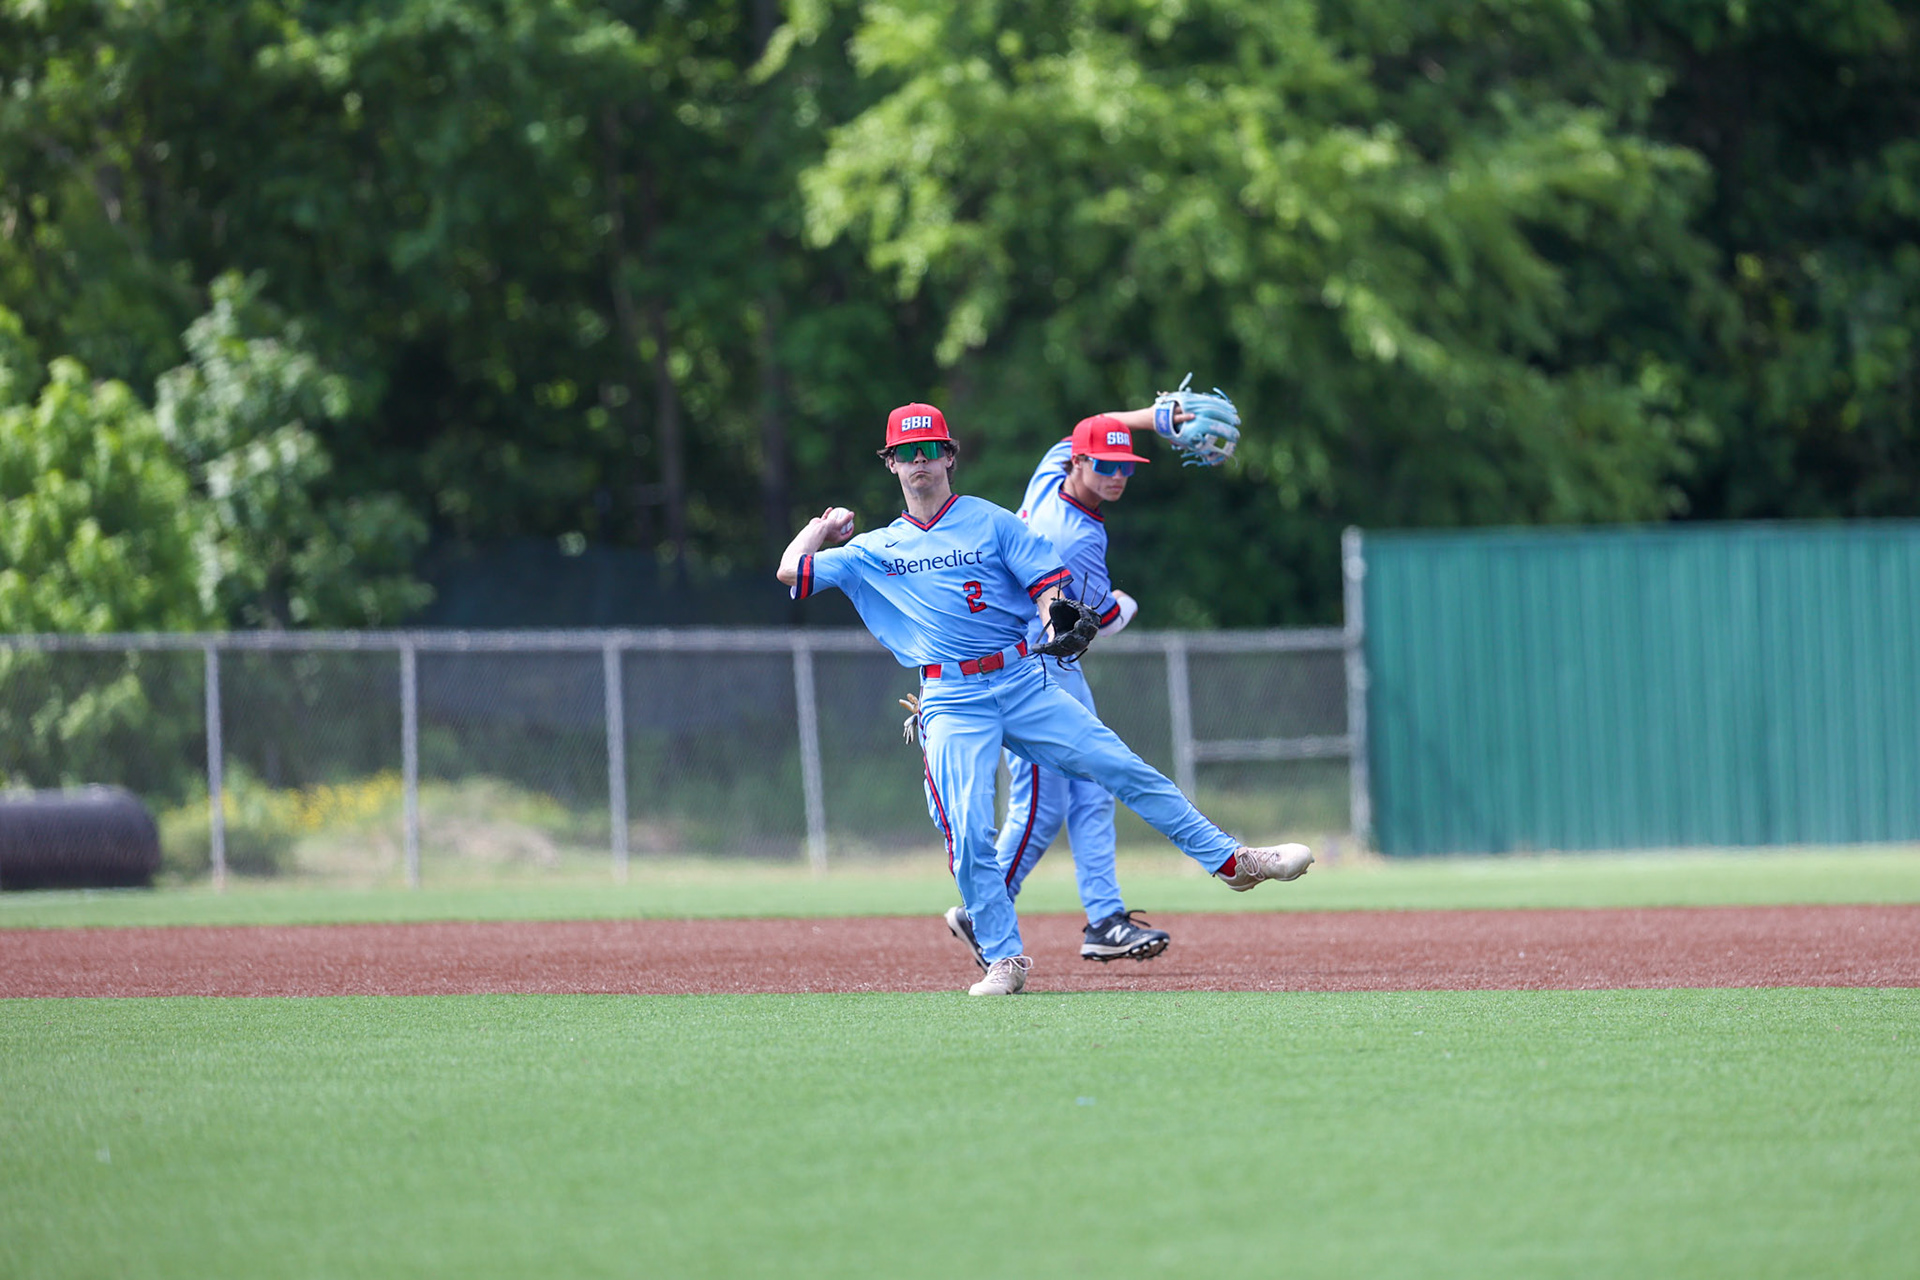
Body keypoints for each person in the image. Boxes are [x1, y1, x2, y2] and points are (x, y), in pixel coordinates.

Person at [777, 402, 1313, 996]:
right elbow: (790, 574)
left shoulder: (993, 521)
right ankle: (1006, 960)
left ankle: (1233, 863)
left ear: (950, 456)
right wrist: (822, 527)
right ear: (891, 464)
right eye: (907, 453)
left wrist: (1053, 617)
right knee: (970, 830)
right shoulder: (877, 548)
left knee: (1121, 767)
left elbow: (1046, 584)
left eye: (930, 449)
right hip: (951, 697)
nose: (919, 461)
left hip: (1020, 679)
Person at [942, 409, 1180, 970]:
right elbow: (1097, 618)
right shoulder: (1072, 539)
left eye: (1126, 465)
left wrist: (1156, 417)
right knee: (1042, 804)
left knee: (1094, 790)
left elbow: (1094, 422)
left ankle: (1104, 919)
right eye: (1106, 465)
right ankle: (983, 913)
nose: (1118, 475)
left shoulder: (1053, 470)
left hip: (1047, 662)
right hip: (1033, 665)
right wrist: (1126, 603)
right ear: (1081, 463)